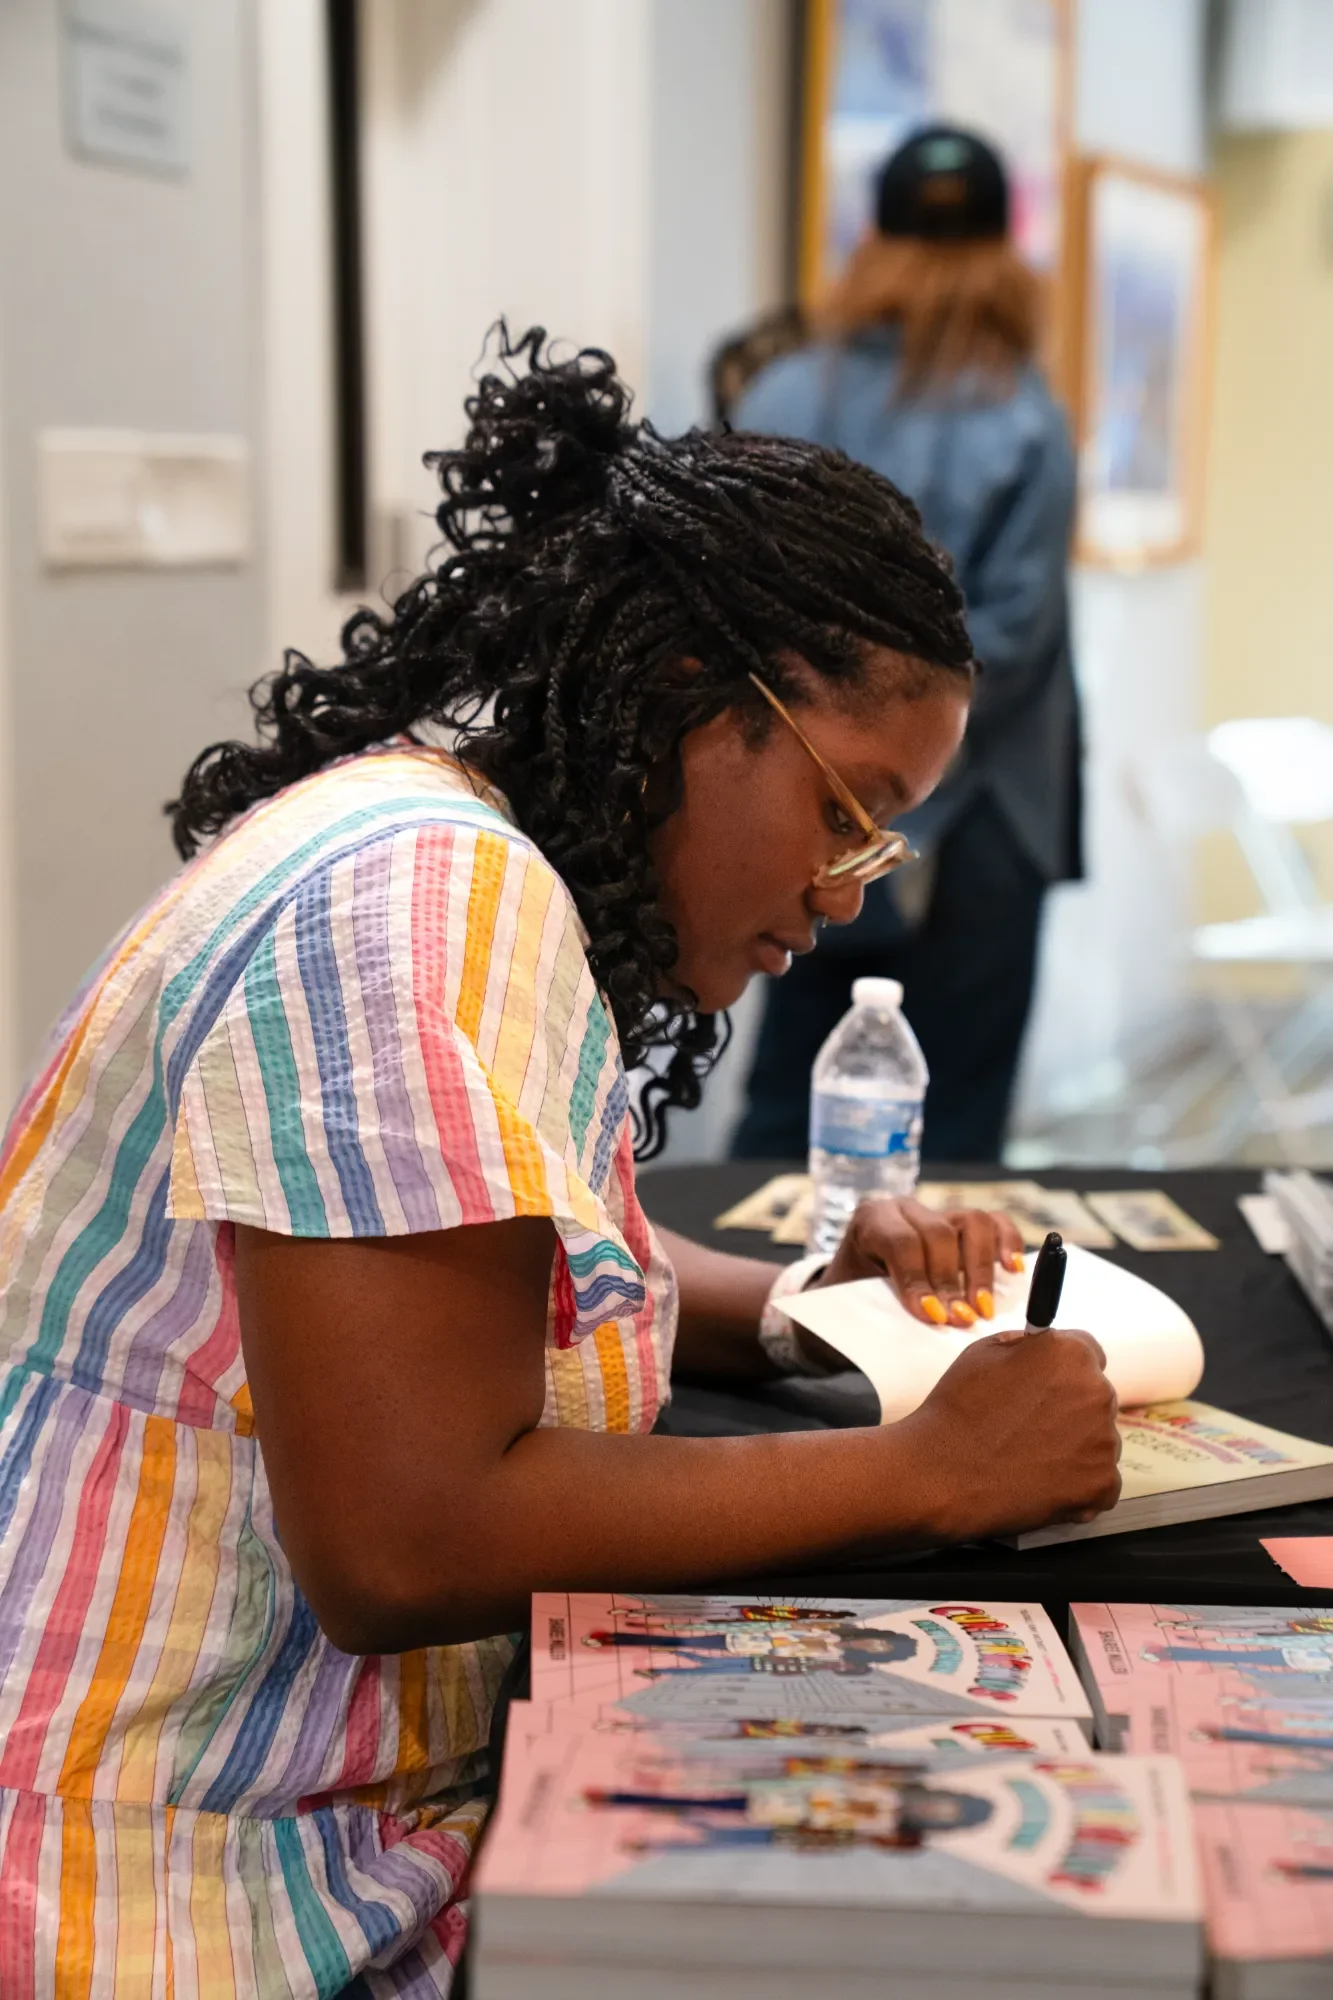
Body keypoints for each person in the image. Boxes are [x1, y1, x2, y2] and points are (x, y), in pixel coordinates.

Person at [0, 327, 1119, 1996]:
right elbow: (405, 1533)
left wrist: (814, 1305)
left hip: (312, 1820)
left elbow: (484, 1296)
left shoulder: (463, 855)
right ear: (692, 702)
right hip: (149, 1878)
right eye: (843, 811)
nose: (847, 895)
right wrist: (925, 1470)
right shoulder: (424, 906)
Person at [730, 126, 1080, 1164]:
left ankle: (749, 1317)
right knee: (954, 1122)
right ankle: (930, 1324)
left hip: (790, 803)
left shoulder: (781, 395)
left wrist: (828, 780)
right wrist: (904, 778)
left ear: (868, 244)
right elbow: (1011, 637)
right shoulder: (1021, 412)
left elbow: (728, 603)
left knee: (787, 1102)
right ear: (1005, 256)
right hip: (980, 829)